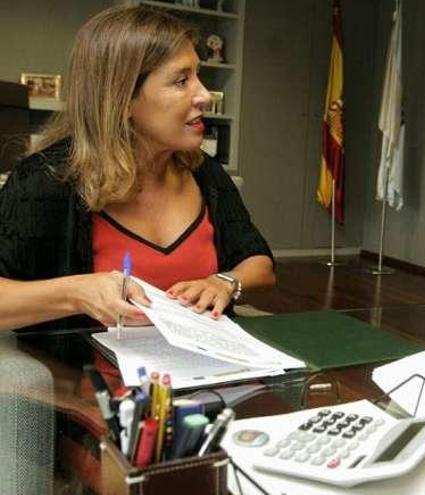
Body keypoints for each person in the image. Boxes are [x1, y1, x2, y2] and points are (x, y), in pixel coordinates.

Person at [0, 5, 274, 333]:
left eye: (198, 76)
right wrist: (76, 293)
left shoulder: (205, 173)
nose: (204, 95)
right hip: (94, 381)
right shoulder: (44, 182)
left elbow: (260, 264)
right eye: (181, 80)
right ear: (123, 99)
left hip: (212, 375)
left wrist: (226, 282)